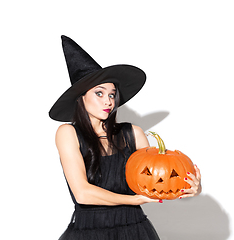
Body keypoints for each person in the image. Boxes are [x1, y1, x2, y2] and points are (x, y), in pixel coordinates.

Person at [49, 35, 202, 240]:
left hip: (135, 229)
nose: (108, 101)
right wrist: (133, 200)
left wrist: (191, 188)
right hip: (89, 232)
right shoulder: (68, 133)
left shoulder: (134, 133)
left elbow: (156, 181)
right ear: (81, 97)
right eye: (99, 93)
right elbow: (83, 193)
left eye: (112, 94)